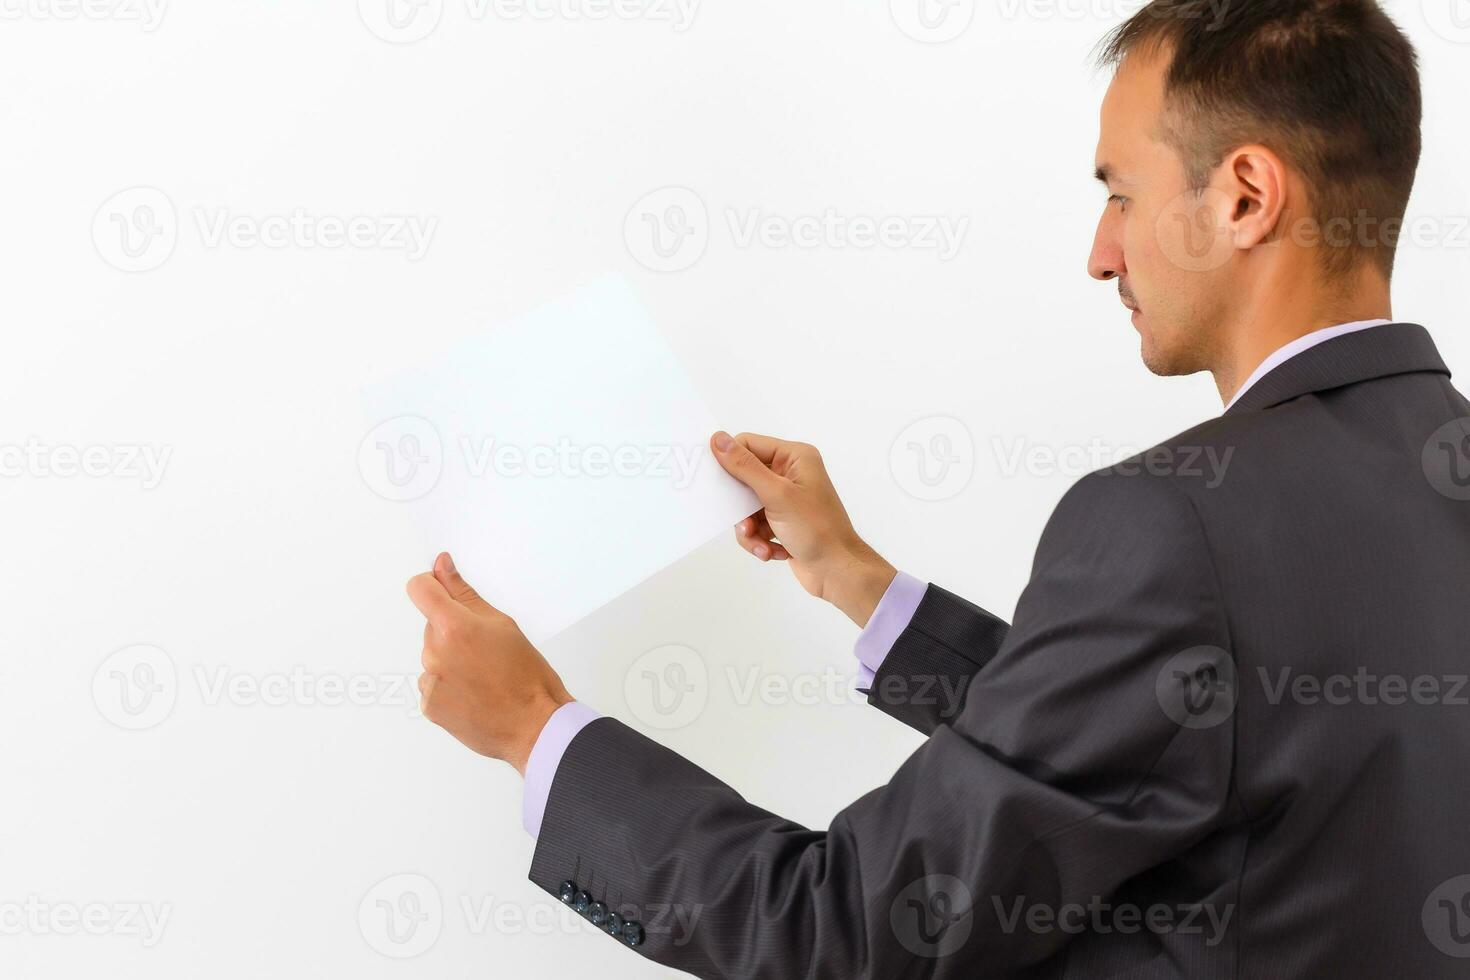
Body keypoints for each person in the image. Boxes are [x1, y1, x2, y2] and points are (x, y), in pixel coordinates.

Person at [406, 2, 1470, 975]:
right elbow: (1180, 745)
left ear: (1245, 195)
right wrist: (862, 583)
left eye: (1120, 192)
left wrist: (537, 729)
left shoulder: (1176, 523)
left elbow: (852, 928)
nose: (1102, 253)